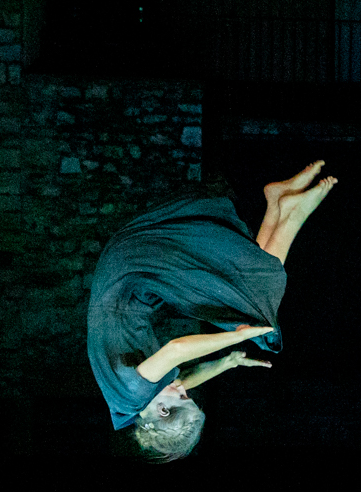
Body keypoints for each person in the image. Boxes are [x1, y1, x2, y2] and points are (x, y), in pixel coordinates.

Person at [86, 163, 338, 460]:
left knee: (254, 313)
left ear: (164, 410)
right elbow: (185, 379)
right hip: (132, 275)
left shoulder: (134, 391)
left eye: (183, 398)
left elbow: (176, 350)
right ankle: (279, 203)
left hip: (134, 271)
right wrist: (227, 363)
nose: (183, 390)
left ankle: (290, 212)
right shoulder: (130, 408)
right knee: (240, 289)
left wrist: (235, 338)